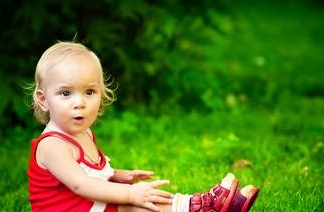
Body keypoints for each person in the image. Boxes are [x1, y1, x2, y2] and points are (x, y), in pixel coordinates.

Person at [27, 41, 259, 212]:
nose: (80, 103)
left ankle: (199, 204)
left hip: (88, 207)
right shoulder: (52, 146)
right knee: (135, 204)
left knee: (141, 200)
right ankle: (200, 207)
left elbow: (90, 173)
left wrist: (116, 176)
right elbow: (80, 184)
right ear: (43, 99)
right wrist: (130, 193)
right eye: (66, 93)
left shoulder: (84, 132)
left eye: (89, 92)